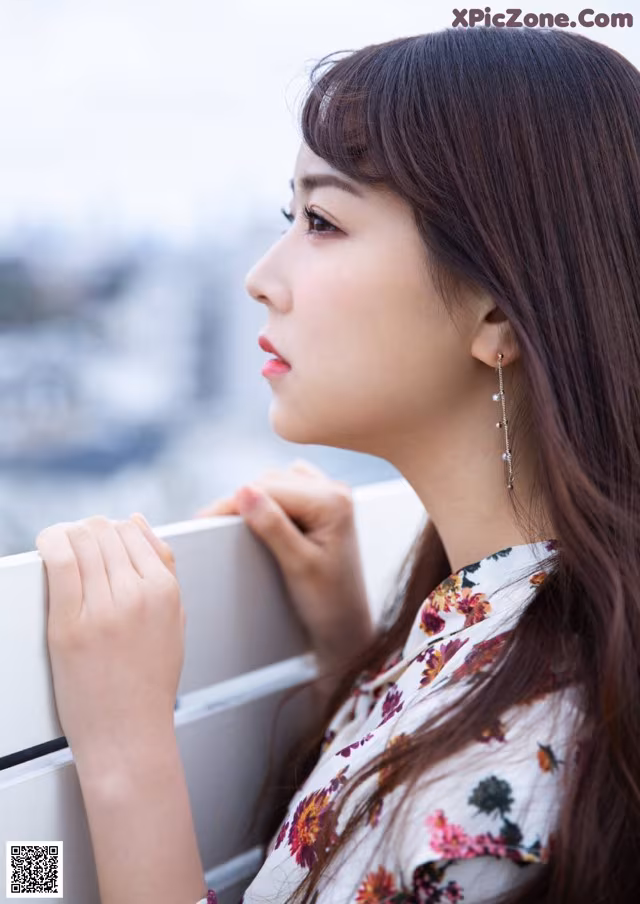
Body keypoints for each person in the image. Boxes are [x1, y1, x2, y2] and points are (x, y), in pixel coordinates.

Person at [34, 22, 640, 904]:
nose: (260, 276)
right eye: (292, 217)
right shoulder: (537, 636)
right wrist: (351, 649)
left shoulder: (486, 805)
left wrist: (126, 750)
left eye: (322, 220)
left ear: (497, 317)